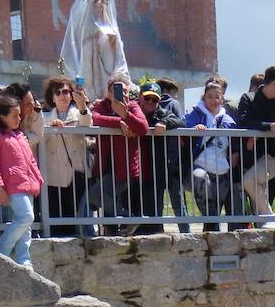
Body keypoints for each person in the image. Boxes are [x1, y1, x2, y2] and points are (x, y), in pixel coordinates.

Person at [0, 94, 42, 267]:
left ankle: (24, 260)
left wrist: (38, 178)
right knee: (26, 217)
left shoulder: (20, 135)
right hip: (12, 186)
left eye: (19, 115)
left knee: (25, 227)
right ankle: (1, 248)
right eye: (14, 115)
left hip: (27, 184)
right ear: (2, 117)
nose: (19, 118)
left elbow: (30, 160)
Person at [86, 72, 149, 232]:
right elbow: (95, 118)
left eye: (125, 91)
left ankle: (127, 219)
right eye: (117, 90)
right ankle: (119, 228)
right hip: (105, 165)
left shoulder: (133, 106)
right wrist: (119, 122)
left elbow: (143, 127)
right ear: (108, 93)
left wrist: (126, 115)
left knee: (94, 195)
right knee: (103, 202)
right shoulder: (102, 105)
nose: (123, 94)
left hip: (124, 168)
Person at [39, 75, 93, 237]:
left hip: (76, 176)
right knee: (56, 224)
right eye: (58, 92)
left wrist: (83, 106)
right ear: (52, 97)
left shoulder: (79, 113)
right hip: (53, 178)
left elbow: (86, 124)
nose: (63, 95)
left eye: (66, 91)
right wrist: (50, 127)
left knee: (76, 224)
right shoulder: (45, 118)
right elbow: (38, 139)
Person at [239, 65, 275, 220]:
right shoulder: (248, 98)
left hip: (273, 156)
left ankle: (270, 217)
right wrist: (269, 126)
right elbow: (243, 122)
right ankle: (266, 227)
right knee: (258, 193)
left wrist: (259, 131)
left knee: (249, 181)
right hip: (250, 156)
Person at [185, 80, 241, 229]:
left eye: (217, 97)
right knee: (201, 184)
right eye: (210, 96)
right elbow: (185, 128)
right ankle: (211, 232)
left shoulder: (228, 121)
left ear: (222, 99)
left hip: (222, 169)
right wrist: (194, 129)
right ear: (204, 97)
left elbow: (235, 141)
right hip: (200, 164)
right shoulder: (196, 114)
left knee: (217, 206)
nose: (214, 100)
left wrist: (235, 153)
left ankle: (212, 238)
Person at [132, 80, 186, 234]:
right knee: (133, 204)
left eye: (154, 99)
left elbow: (181, 121)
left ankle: (155, 236)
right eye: (147, 98)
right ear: (140, 97)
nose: (150, 102)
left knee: (155, 208)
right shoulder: (132, 109)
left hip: (155, 170)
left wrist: (164, 122)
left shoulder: (162, 113)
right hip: (134, 168)